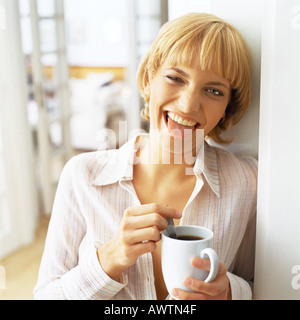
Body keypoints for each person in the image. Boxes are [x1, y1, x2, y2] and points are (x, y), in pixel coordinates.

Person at [33, 13, 257, 300]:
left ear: (227, 106)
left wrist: (229, 293)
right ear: (149, 79)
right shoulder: (82, 176)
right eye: (175, 77)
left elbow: (260, 283)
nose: (188, 104)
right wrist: (108, 261)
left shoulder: (248, 183)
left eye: (213, 90)